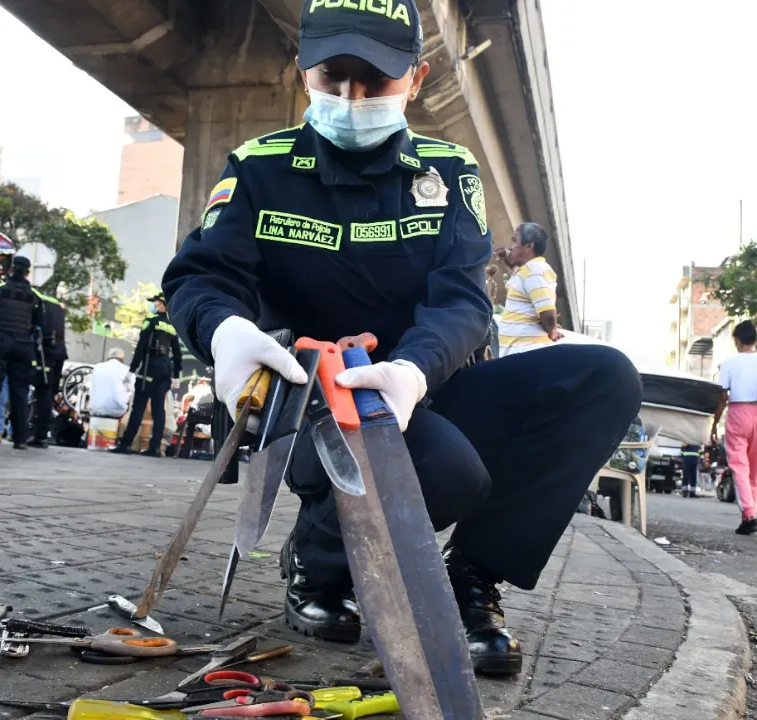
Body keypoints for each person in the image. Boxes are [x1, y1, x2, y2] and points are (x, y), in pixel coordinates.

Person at [159, 0, 642, 677]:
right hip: (314, 405)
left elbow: (463, 301)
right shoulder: (258, 168)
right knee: (444, 473)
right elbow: (200, 276)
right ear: (303, 74)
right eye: (333, 78)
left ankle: (472, 577)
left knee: (603, 378)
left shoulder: (448, 173)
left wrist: (413, 370)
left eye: (376, 81)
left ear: (415, 80)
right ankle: (318, 564)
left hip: (420, 386)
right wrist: (225, 331)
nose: (353, 99)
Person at [711, 320, 757, 535]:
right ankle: (750, 514)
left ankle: (748, 513)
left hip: (738, 412)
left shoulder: (729, 363)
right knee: (754, 470)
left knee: (739, 466)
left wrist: (714, 422)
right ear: (755, 340)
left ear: (736, 341)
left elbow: (722, 396)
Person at [0, 255, 44, 450]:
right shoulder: (35, 297)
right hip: (24, 347)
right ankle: (20, 439)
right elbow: (39, 325)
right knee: (20, 393)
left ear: (11, 269)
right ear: (28, 273)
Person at [111, 294, 182, 457]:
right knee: (159, 411)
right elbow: (177, 354)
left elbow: (142, 346)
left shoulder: (151, 321)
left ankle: (126, 444)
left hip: (150, 368)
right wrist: (176, 374)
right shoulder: (172, 326)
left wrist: (132, 369)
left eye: (156, 302)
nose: (154, 305)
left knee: (138, 408)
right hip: (165, 369)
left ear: (163, 304)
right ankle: (155, 448)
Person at [495, 223, 562, 356]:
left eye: (514, 241)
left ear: (529, 246)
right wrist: (505, 255)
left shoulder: (535, 269)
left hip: (525, 353)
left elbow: (547, 312)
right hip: (519, 354)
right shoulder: (527, 270)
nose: (510, 247)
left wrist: (552, 331)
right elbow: (513, 262)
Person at [29, 292, 67, 447]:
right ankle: (42, 433)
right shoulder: (55, 304)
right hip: (59, 350)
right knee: (50, 393)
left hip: (45, 352)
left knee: (43, 392)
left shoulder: (36, 301)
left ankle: (39, 435)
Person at [89, 347, 135, 419]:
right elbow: (132, 389)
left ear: (108, 358)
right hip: (117, 411)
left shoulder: (97, 367)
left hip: (95, 408)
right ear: (122, 360)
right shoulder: (127, 370)